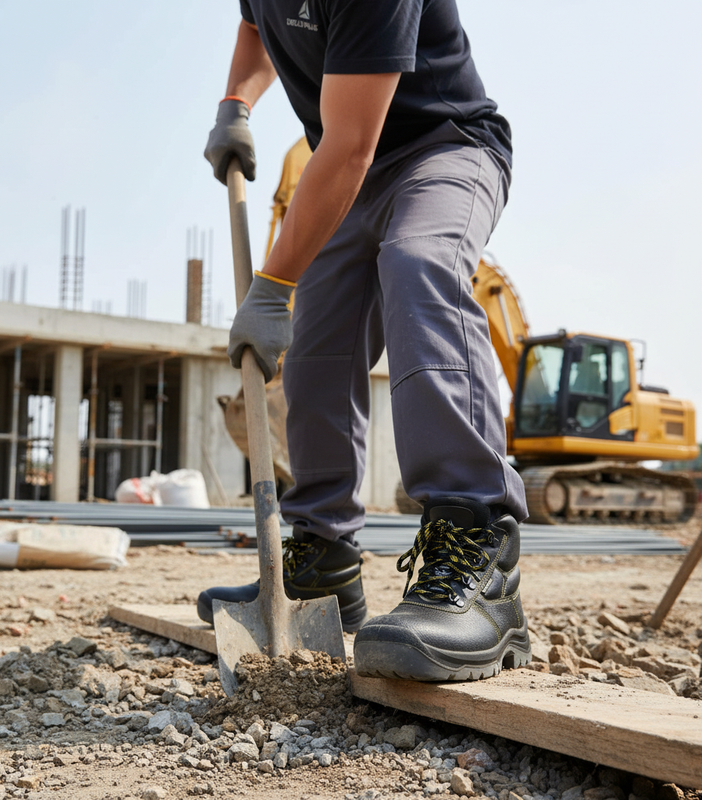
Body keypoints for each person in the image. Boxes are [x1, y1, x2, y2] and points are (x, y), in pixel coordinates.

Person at [199, 0, 532, 681]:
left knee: (419, 263)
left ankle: (479, 548)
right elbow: (259, 25)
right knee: (319, 337)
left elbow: (348, 144)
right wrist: (238, 101)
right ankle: (325, 561)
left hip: (444, 147)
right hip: (352, 161)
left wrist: (271, 286)